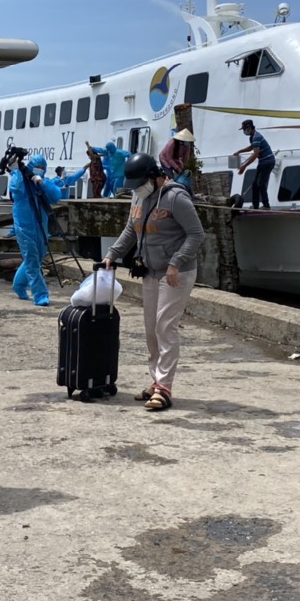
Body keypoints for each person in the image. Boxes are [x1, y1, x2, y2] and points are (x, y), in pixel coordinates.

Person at [101, 153, 204, 412]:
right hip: (149, 270)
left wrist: (176, 262)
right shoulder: (139, 195)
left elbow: (196, 234)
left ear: (153, 176)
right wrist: (113, 253)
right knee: (150, 329)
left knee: (165, 326)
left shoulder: (176, 198)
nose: (136, 188)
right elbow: (130, 229)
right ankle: (156, 381)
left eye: (139, 183)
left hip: (175, 273)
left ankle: (164, 388)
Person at [9, 152, 61, 306]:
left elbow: (56, 196)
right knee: (32, 260)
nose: (39, 169)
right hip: (24, 226)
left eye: (42, 168)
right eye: (37, 167)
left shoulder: (43, 182)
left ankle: (18, 285)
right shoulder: (21, 180)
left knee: (36, 259)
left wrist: (42, 183)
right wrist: (17, 170)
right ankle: (40, 295)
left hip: (41, 227)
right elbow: (15, 190)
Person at [233, 119, 275, 209]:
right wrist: (239, 151)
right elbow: (251, 147)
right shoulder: (253, 137)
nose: (244, 131)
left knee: (261, 184)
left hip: (268, 162)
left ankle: (266, 206)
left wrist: (244, 166)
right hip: (263, 161)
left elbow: (255, 154)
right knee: (255, 184)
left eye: (244, 129)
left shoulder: (256, 137)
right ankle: (255, 206)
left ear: (249, 128)